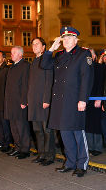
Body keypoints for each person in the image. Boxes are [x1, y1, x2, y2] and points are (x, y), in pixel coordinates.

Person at [41, 26, 94, 177]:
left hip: (75, 100)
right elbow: (44, 65)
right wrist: (51, 49)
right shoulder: (59, 55)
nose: (66, 41)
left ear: (76, 40)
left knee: (77, 132)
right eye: (64, 38)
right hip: (60, 102)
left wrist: (83, 99)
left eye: (70, 38)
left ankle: (82, 164)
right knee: (65, 134)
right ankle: (70, 162)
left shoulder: (83, 54)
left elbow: (86, 79)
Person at [28, 37, 55, 166]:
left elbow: (49, 81)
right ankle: (41, 154)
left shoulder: (47, 61)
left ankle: (49, 156)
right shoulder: (33, 62)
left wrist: (46, 99)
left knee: (47, 130)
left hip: (43, 101)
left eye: (37, 44)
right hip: (33, 102)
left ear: (44, 47)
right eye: (33, 44)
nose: (34, 46)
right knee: (37, 130)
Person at [4, 46, 30, 159]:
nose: (11, 55)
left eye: (13, 53)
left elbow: (26, 84)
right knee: (14, 127)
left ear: (20, 54)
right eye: (11, 53)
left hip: (20, 102)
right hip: (11, 102)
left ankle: (25, 149)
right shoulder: (12, 67)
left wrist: (24, 100)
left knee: (22, 127)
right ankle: (17, 147)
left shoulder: (25, 66)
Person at [85, 49, 104, 156]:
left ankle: (97, 148)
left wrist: (99, 98)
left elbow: (101, 84)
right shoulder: (85, 67)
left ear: (94, 57)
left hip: (96, 99)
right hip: (85, 100)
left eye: (90, 54)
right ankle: (89, 147)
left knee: (96, 124)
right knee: (87, 124)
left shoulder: (99, 67)